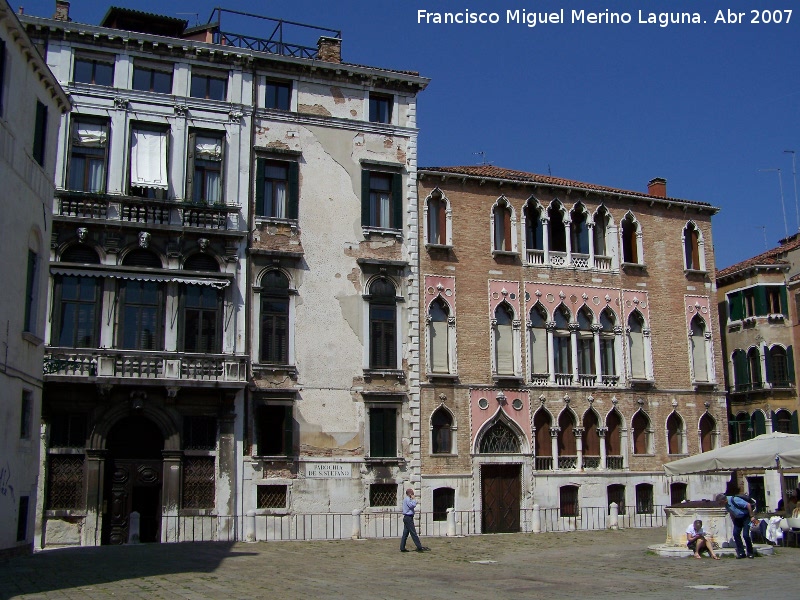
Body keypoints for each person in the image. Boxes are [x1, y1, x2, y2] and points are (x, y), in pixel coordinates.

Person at [716, 492, 758, 558]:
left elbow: (748, 505)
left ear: (723, 500)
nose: (720, 504)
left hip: (746, 517)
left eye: (720, 503)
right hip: (738, 519)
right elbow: (731, 512)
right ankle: (741, 553)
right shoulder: (726, 505)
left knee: (746, 535)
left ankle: (750, 552)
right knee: (736, 534)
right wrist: (734, 521)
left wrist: (751, 516)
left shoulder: (734, 500)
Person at [400, 488, 430, 553]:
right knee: (413, 533)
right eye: (412, 493)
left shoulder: (406, 499)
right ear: (410, 494)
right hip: (408, 518)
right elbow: (412, 505)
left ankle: (402, 547)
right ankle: (419, 547)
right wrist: (414, 499)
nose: (413, 494)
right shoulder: (408, 499)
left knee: (405, 533)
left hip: (407, 517)